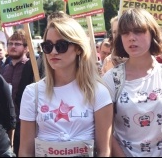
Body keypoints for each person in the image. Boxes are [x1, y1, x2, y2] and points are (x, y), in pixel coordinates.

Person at [18, 13, 113, 157]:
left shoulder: (98, 92)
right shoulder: (32, 92)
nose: (53, 52)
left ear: (78, 48)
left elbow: (104, 150)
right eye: (48, 46)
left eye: (61, 45)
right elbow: (25, 150)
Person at [102, 8, 162, 156]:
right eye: (125, 33)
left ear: (152, 33)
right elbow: (106, 131)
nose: (131, 38)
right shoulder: (111, 80)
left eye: (138, 31)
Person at [1, 29, 30, 156]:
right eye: (10, 43)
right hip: (6, 124)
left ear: (26, 48)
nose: (13, 46)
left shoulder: (32, 67)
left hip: (25, 123)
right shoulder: (4, 69)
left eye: (17, 44)